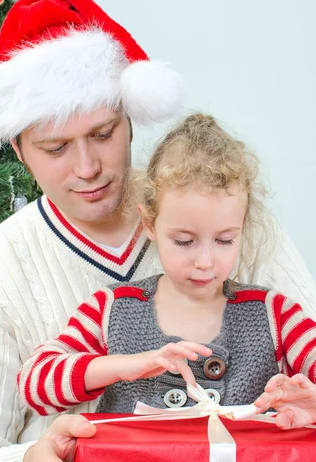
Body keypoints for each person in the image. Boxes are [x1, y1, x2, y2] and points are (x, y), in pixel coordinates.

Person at [0, 0, 316, 462]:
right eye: (56, 148)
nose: (88, 167)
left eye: (103, 133)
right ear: (17, 149)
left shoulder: (236, 220)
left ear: (130, 116)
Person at [18, 113, 316, 420]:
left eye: (225, 240)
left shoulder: (276, 315)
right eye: (185, 241)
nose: (205, 262)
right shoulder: (112, 308)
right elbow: (34, 385)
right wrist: (122, 365)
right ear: (149, 224)